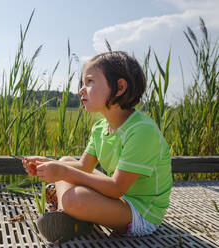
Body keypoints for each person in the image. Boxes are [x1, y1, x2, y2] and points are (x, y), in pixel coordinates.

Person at [22, 51, 172, 243]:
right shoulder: (100, 127)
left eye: (90, 81)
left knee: (74, 197)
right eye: (82, 83)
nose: (82, 90)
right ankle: (67, 215)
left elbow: (116, 188)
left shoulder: (142, 130)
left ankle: (71, 211)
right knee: (66, 161)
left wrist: (61, 173)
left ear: (120, 87)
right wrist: (48, 163)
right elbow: (84, 167)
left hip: (141, 214)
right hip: (119, 200)